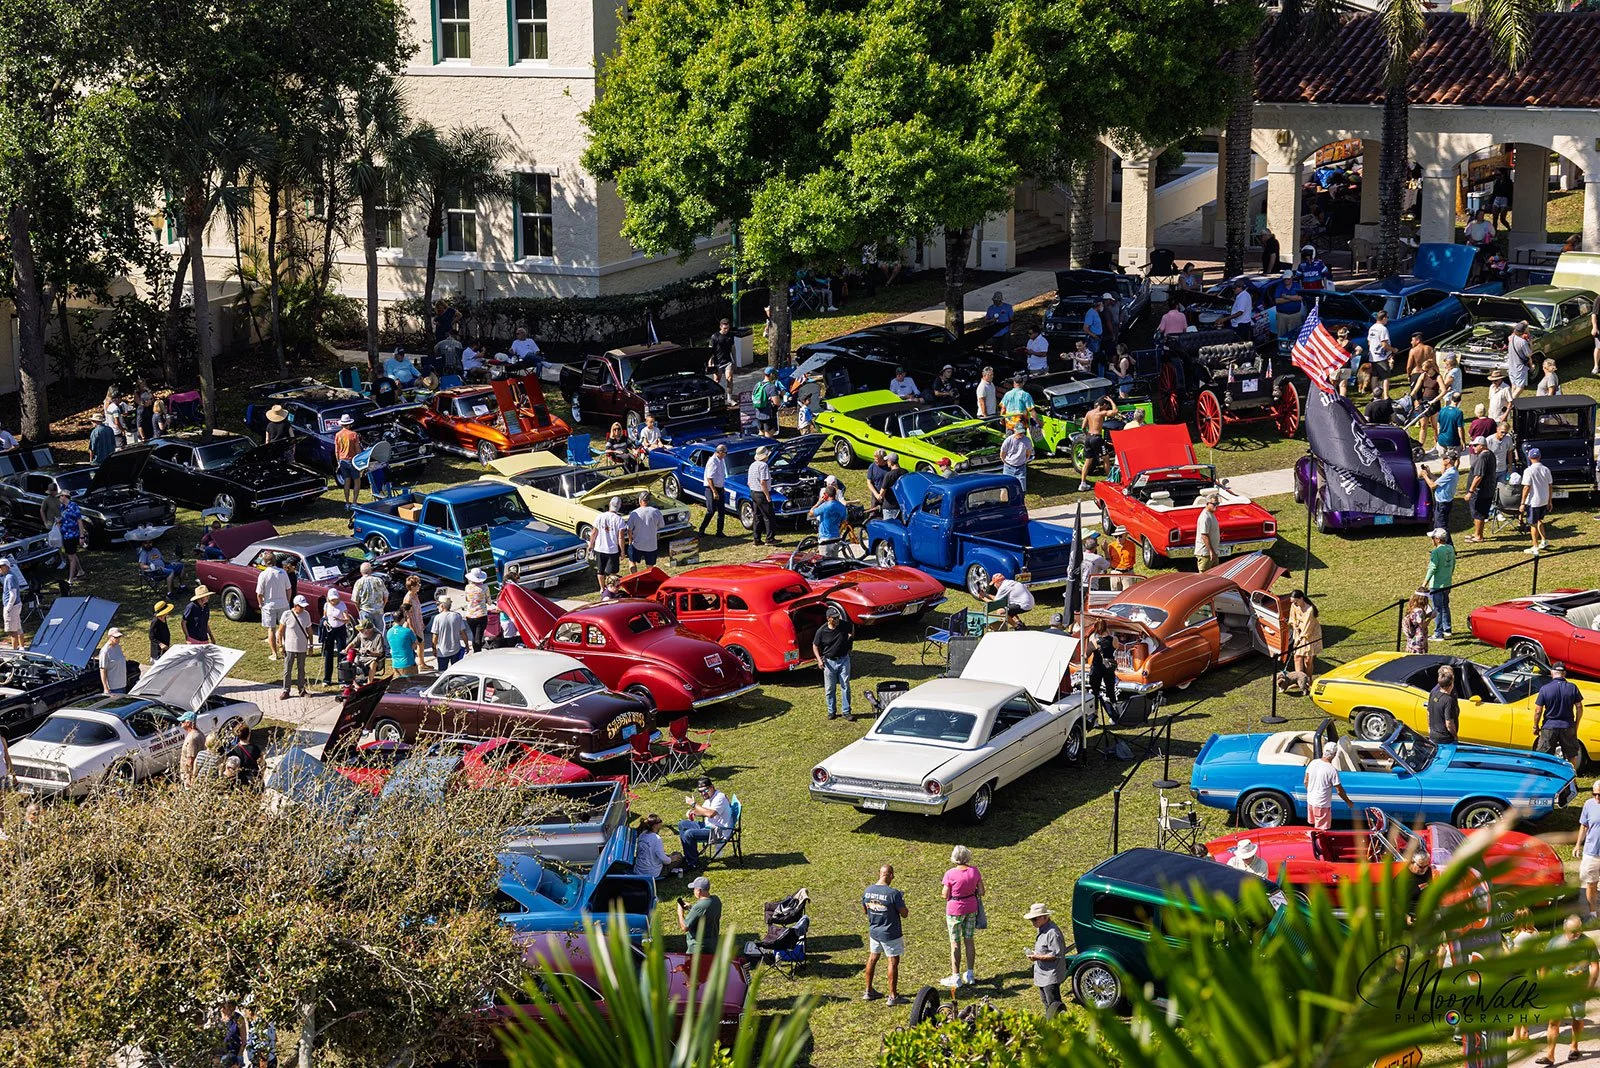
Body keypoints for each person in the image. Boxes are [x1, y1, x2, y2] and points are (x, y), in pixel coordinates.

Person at [1541, 914, 1599, 1066]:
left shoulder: (1587, 943)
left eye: (1579, 929)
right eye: (1573, 931)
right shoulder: (1554, 942)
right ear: (1565, 928)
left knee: (1577, 1018)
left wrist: (1590, 986)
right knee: (1553, 1021)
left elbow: (1594, 966)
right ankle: (1550, 1055)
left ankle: (1574, 1047)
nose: (1577, 933)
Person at [863, 864, 909, 1005]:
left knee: (872, 958)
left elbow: (865, 910)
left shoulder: (868, 891)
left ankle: (868, 991)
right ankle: (893, 996)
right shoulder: (893, 894)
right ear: (889, 875)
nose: (893, 878)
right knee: (892, 961)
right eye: (892, 875)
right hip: (890, 933)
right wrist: (901, 901)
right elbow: (904, 914)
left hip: (874, 931)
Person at [940, 845, 983, 988]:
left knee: (955, 943)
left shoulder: (950, 874)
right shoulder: (974, 871)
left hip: (955, 910)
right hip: (971, 908)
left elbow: (945, 894)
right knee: (969, 940)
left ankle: (956, 976)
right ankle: (970, 974)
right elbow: (981, 891)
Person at [1532, 661, 1585, 771]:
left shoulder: (1545, 689)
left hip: (1549, 727)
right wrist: (1576, 724)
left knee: (1544, 755)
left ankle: (1545, 775)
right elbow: (1579, 707)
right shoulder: (1572, 688)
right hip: (1568, 726)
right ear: (1564, 673)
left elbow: (1538, 711)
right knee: (1571, 755)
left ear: (1552, 672)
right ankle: (1571, 777)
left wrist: (1535, 726)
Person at [677, 775, 732, 870]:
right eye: (700, 791)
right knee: (682, 824)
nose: (703, 793)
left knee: (689, 834)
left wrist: (693, 804)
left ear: (712, 787)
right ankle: (689, 857)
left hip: (719, 832)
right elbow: (703, 811)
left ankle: (692, 863)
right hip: (709, 825)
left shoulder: (720, 798)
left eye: (705, 790)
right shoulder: (709, 798)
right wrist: (693, 812)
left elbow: (710, 814)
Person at [1021, 902, 1067, 1009]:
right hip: (1043, 975)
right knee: (1046, 1003)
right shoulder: (1041, 928)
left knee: (1054, 1005)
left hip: (1050, 976)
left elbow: (1056, 955)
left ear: (1045, 917)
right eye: (1031, 920)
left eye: (1035, 919)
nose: (1033, 922)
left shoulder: (1052, 933)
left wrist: (1037, 957)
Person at [813, 610, 854, 721]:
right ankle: (831, 711)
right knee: (830, 688)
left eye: (838, 617)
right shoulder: (821, 631)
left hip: (844, 660)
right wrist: (819, 660)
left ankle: (846, 711)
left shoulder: (844, 625)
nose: (837, 620)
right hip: (829, 663)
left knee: (845, 685)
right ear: (829, 619)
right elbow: (815, 646)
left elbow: (851, 628)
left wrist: (850, 643)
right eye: (835, 618)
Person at [1304, 742, 1353, 830]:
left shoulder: (1313, 763)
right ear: (1334, 754)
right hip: (1322, 804)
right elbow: (1339, 790)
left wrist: (1311, 792)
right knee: (1321, 830)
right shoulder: (1332, 770)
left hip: (1310, 801)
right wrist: (1348, 802)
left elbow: (1305, 781)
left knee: (1313, 826)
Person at [256, 554, 291, 661]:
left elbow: (259, 593)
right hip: (283, 603)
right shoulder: (282, 572)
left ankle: (274, 654)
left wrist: (260, 604)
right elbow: (289, 589)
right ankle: (286, 650)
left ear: (265, 562)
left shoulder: (263, 575)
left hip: (269, 605)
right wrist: (287, 600)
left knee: (271, 629)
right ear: (275, 561)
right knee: (284, 628)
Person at [1573, 780, 1600, 918]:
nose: (1597, 797)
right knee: (1591, 884)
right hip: (1591, 852)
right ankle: (1593, 913)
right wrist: (1578, 844)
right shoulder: (1588, 804)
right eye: (1594, 794)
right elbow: (1583, 826)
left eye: (1599, 795)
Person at [588, 498, 627, 591]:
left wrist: (591, 545)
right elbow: (620, 538)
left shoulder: (599, 517)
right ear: (619, 507)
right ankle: (612, 588)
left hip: (599, 548)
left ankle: (602, 588)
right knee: (612, 572)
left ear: (609, 504)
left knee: (600, 570)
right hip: (612, 550)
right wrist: (622, 551)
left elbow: (593, 533)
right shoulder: (619, 520)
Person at [1423, 528, 1455, 639]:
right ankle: (1447, 630)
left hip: (1436, 585)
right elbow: (1453, 565)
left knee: (1437, 609)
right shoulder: (1450, 548)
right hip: (1447, 583)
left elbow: (1432, 568)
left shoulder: (1436, 552)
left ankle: (1438, 633)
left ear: (1437, 539)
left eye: (1433, 538)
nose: (1432, 540)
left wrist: (1424, 584)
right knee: (1445, 606)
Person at [278, 595, 313, 699]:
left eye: (304, 607)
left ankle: (301, 690)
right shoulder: (287, 614)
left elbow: (309, 631)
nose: (303, 609)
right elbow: (280, 631)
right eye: (301, 606)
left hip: (302, 647)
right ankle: (286, 690)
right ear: (295, 605)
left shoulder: (306, 615)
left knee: (301, 669)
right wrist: (280, 645)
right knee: (287, 669)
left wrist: (311, 645)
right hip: (289, 647)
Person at [1464, 437, 1497, 543]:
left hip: (1480, 491)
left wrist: (1470, 491)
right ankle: (1477, 533)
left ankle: (1478, 536)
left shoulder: (1483, 457)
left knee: (1478, 513)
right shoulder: (1490, 454)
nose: (1473, 448)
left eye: (1475, 445)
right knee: (1480, 513)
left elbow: (1478, 476)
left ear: (1482, 446)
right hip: (1488, 489)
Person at [678, 875, 722, 957]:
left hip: (697, 949)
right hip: (712, 945)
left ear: (699, 891)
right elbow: (704, 913)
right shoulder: (716, 900)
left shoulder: (699, 906)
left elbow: (685, 927)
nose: (693, 891)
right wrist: (691, 908)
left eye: (694, 889)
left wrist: (680, 913)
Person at [1520, 446, 1553, 554]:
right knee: (1539, 520)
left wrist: (1522, 503)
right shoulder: (1546, 469)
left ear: (1529, 457)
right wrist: (1549, 501)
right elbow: (1550, 486)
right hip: (1543, 500)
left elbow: (1526, 487)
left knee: (1533, 524)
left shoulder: (1528, 471)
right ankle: (1544, 540)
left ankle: (1535, 546)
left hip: (1533, 501)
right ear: (1540, 457)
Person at [1077, 397, 1114, 491]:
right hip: (1097, 438)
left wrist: (1086, 434)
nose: (1107, 408)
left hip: (1088, 437)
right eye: (1107, 406)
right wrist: (1111, 401)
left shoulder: (1089, 413)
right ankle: (1110, 480)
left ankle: (1082, 483)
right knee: (1106, 458)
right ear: (1104, 405)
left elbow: (1083, 427)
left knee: (1087, 461)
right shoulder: (1101, 413)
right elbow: (1115, 411)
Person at [1420, 447, 1461, 532]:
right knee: (1438, 525)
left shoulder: (1450, 473)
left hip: (1443, 503)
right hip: (1442, 502)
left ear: (1448, 461)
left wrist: (1425, 476)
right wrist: (1429, 473)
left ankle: (1446, 540)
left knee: (1441, 527)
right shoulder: (1451, 471)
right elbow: (1438, 481)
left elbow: (1432, 485)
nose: (1443, 460)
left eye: (1444, 458)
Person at [1085, 618, 1118, 719]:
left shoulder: (1094, 642)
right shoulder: (1114, 639)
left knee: (1095, 692)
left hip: (1097, 668)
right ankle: (1114, 715)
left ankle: (1095, 717)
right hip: (1109, 668)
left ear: (1095, 629)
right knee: (1110, 691)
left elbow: (1086, 656)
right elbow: (1116, 648)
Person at [632, 813, 680, 879]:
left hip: (639, 871)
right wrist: (671, 859)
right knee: (678, 855)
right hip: (653, 873)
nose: (661, 822)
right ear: (655, 825)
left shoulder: (642, 835)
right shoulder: (656, 838)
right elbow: (664, 860)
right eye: (660, 821)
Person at [1288, 590, 1322, 684]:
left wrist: (1299, 639)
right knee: (1297, 657)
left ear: (1301, 599)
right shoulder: (1294, 605)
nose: (1294, 604)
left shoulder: (1310, 610)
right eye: (1293, 602)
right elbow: (1292, 618)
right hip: (1299, 632)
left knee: (1308, 659)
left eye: (1296, 601)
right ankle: (1299, 680)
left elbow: (1308, 627)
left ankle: (1308, 680)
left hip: (1309, 634)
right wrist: (1294, 626)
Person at [626, 491, 665, 569]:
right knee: (650, 566)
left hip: (637, 544)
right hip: (651, 544)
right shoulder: (656, 512)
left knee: (632, 561)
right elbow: (661, 525)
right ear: (649, 501)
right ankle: (648, 577)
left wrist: (630, 541)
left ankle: (634, 575)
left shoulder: (634, 513)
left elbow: (629, 529)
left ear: (639, 501)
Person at [430, 594, 470, 669]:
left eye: (438, 605)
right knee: (456, 671)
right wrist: (467, 645)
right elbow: (463, 633)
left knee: (442, 672)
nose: (437, 607)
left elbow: (435, 636)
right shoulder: (457, 616)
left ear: (442, 606)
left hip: (443, 652)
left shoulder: (437, 618)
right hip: (456, 650)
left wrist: (434, 649)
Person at [747, 446, 775, 547]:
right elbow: (763, 482)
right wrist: (767, 496)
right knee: (769, 516)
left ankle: (757, 539)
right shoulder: (763, 466)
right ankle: (770, 539)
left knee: (757, 516)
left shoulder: (752, 465)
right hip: (761, 493)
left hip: (753, 492)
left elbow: (749, 482)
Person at [810, 485, 848, 558]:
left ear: (826, 494)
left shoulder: (824, 506)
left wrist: (818, 502)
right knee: (834, 561)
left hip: (825, 539)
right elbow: (844, 521)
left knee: (824, 562)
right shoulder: (842, 507)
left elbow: (811, 513)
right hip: (836, 537)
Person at [699, 443, 728, 537]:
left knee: (721, 511)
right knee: (711, 510)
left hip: (720, 488)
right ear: (720, 452)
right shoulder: (712, 461)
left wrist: (722, 487)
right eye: (725, 453)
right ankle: (702, 529)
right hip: (711, 489)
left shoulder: (721, 460)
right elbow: (709, 478)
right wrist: (714, 492)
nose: (726, 454)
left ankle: (719, 531)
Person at [352, 561, 387, 638]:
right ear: (371, 570)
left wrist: (359, 610)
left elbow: (355, 600)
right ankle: (383, 644)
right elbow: (386, 595)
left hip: (365, 611)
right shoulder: (378, 580)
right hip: (379, 610)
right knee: (381, 632)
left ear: (361, 572)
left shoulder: (358, 582)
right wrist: (382, 606)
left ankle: (371, 645)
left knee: (368, 634)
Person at [333, 413, 362, 504]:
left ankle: (347, 502)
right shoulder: (353, 434)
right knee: (357, 481)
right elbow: (357, 449)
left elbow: (337, 450)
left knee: (346, 481)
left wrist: (338, 461)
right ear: (349, 424)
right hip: (352, 460)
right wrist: (360, 460)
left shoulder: (338, 435)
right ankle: (354, 502)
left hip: (342, 460)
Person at [1426, 665, 1459, 744]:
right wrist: (1455, 736)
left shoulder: (1435, 694)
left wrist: (1430, 729)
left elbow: (1428, 712)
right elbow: (1449, 723)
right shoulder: (1448, 700)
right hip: (1445, 738)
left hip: (1434, 735)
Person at [1364, 312, 1393, 396]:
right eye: (1387, 317)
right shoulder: (1383, 329)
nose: (1387, 319)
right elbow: (1384, 344)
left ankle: (1375, 395)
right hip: (1381, 357)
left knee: (1374, 375)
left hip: (1372, 356)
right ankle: (1386, 396)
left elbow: (1369, 342)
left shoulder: (1372, 328)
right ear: (1384, 318)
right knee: (1386, 377)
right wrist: (1393, 349)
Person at [707, 320, 736, 399]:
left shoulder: (730, 335)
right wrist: (710, 362)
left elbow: (733, 348)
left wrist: (734, 360)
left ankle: (729, 398)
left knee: (729, 378)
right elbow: (710, 351)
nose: (726, 330)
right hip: (718, 362)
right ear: (720, 327)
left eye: (728, 328)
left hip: (728, 361)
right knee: (717, 380)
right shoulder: (715, 336)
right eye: (724, 328)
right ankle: (714, 396)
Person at [58, 490, 83, 583]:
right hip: (65, 535)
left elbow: (79, 521)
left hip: (72, 535)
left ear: (64, 496)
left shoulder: (73, 506)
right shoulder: (62, 508)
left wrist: (81, 536)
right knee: (72, 554)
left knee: (71, 557)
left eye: (60, 496)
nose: (59, 498)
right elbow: (62, 519)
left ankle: (71, 579)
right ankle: (80, 570)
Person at [1000, 425, 1033, 492]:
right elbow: (1002, 454)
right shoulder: (1008, 440)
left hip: (1021, 468)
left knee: (1022, 488)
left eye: (1022, 433)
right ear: (1014, 431)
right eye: (1019, 433)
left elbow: (1028, 453)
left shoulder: (1027, 440)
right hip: (1008, 467)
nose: (1021, 434)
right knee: (1005, 489)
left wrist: (1024, 461)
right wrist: (1006, 462)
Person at [1194, 493, 1222, 572]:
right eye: (1214, 504)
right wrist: (1211, 552)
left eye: (1217, 503)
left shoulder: (1211, 514)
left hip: (1213, 553)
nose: (1216, 506)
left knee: (1215, 574)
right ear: (1207, 503)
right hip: (1205, 554)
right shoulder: (1205, 517)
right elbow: (1204, 536)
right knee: (1204, 576)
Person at [1401, 590, 1433, 654]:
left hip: (1412, 639)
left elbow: (1416, 620)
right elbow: (1422, 626)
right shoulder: (1419, 611)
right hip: (1418, 640)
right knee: (1418, 658)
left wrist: (1427, 615)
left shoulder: (1413, 608)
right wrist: (1431, 617)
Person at [752, 367, 781, 437]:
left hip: (758, 414)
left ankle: (759, 444)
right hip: (768, 415)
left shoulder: (757, 385)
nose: (775, 376)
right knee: (769, 434)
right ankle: (767, 444)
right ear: (771, 375)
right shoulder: (772, 387)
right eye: (774, 374)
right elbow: (777, 402)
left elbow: (753, 398)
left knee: (761, 432)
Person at [178, 712, 206, 787]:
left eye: (182, 721)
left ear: (188, 723)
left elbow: (190, 759)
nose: (181, 723)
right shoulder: (199, 733)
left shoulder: (192, 739)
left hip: (191, 775)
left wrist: (188, 777)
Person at [1507, 321, 1533, 399]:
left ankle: (1512, 403)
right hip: (1519, 368)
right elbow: (1529, 354)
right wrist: (1530, 343)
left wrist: (1523, 324)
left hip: (1511, 367)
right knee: (1520, 388)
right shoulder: (1522, 342)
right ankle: (1510, 402)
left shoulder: (1511, 338)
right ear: (1523, 331)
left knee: (1514, 386)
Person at [99, 628, 128, 694]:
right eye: (116, 637)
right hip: (114, 688)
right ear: (109, 637)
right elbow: (102, 670)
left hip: (123, 684)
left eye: (119, 637)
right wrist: (105, 688)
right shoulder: (105, 651)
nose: (118, 639)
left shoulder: (118, 647)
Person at [0, 560, 20, 650]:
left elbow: (13, 594)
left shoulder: (9, 577)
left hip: (12, 607)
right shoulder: (8, 576)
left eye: (1, 566)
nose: (0, 568)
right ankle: (20, 648)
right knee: (17, 628)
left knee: (12, 631)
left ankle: (15, 651)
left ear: (7, 566)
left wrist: (8, 607)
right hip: (14, 606)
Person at [1083, 296, 1104, 361]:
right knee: (1093, 357)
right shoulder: (1091, 313)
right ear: (1099, 304)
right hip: (1093, 339)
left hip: (1097, 338)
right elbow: (1085, 328)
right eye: (1102, 304)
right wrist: (1095, 336)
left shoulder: (1096, 312)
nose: (1103, 305)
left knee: (1097, 355)